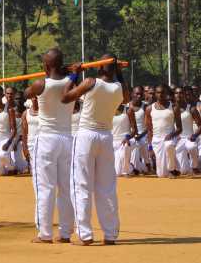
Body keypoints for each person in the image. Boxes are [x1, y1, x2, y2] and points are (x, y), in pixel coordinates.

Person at [62, 55, 128, 246]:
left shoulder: (90, 82)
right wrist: (120, 73)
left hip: (86, 136)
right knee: (107, 187)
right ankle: (110, 234)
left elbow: (65, 97)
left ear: (99, 67)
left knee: (81, 184)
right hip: (106, 137)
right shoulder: (119, 88)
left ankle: (85, 234)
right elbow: (127, 96)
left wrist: (74, 76)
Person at [24, 48, 75, 244]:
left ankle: (45, 233)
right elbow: (67, 81)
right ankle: (65, 233)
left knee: (44, 188)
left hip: (46, 140)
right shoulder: (72, 82)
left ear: (45, 66)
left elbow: (26, 93)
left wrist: (47, 74)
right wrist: (70, 72)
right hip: (67, 138)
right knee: (65, 188)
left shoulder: (40, 84)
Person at [145, 84, 182, 178]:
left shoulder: (174, 107)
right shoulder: (149, 109)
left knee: (168, 145)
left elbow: (179, 128)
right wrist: (150, 148)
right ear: (155, 94)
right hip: (156, 140)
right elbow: (149, 130)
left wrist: (171, 135)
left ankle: (172, 169)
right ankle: (175, 168)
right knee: (161, 175)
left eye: (162, 92)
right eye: (158, 92)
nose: (160, 95)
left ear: (166, 94)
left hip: (171, 137)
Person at [174, 86, 201, 175]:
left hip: (189, 138)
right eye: (177, 93)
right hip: (178, 140)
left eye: (181, 93)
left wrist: (194, 136)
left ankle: (195, 166)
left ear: (185, 95)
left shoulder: (191, 109)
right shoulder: (171, 108)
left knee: (192, 147)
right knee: (183, 171)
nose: (179, 95)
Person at [127, 86, 151, 174]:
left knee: (141, 142)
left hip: (143, 134)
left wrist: (141, 135)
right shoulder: (127, 107)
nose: (139, 96)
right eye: (137, 94)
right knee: (135, 143)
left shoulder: (145, 107)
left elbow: (148, 125)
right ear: (132, 94)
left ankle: (147, 163)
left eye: (141, 94)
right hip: (131, 134)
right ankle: (136, 166)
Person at [112, 104, 136, 177]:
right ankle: (131, 167)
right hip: (113, 142)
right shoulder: (109, 109)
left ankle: (126, 171)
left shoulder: (128, 110)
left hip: (126, 140)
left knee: (125, 146)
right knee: (117, 173)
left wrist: (127, 138)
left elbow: (135, 130)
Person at [22, 95, 39, 169]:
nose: (35, 99)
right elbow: (24, 132)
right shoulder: (26, 113)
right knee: (33, 167)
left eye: (37, 97)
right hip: (31, 142)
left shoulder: (45, 111)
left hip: (42, 141)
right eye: (33, 97)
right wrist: (24, 147)